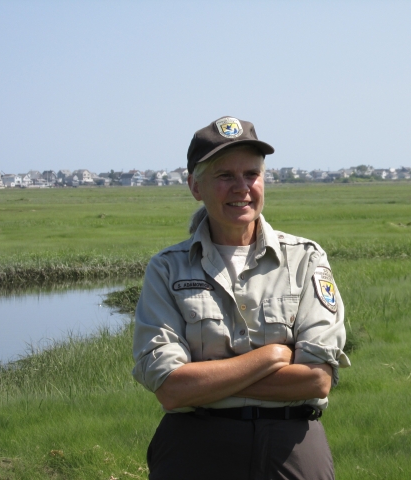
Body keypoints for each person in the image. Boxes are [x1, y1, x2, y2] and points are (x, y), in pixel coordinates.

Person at [132, 116, 351, 480]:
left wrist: (204, 383)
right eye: (224, 176)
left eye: (251, 174)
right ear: (194, 185)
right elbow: (170, 389)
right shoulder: (167, 270)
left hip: (291, 443)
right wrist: (274, 356)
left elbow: (315, 380)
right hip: (195, 446)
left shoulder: (305, 259)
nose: (241, 187)